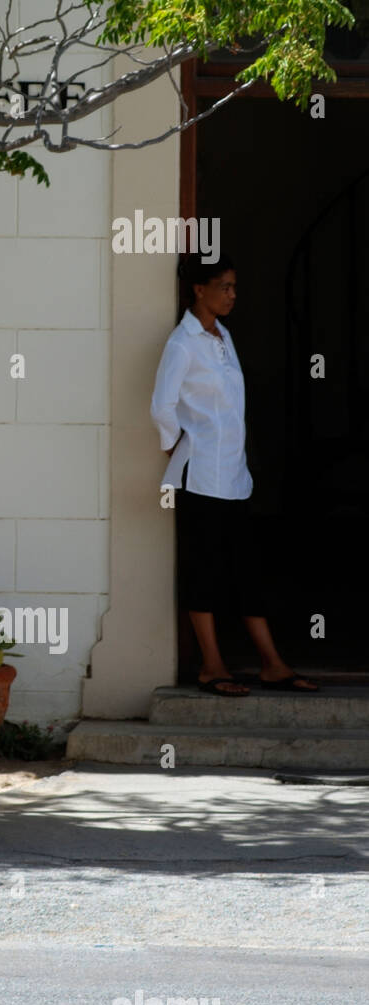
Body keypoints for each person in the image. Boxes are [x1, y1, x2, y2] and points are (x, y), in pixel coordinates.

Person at [151, 254, 317, 696]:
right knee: (203, 569)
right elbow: (161, 406)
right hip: (201, 475)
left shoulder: (222, 336)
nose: (232, 295)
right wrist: (175, 444)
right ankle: (210, 666)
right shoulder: (182, 343)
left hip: (234, 476)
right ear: (198, 290)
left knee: (247, 569)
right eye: (224, 286)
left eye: (234, 287)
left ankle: (272, 664)